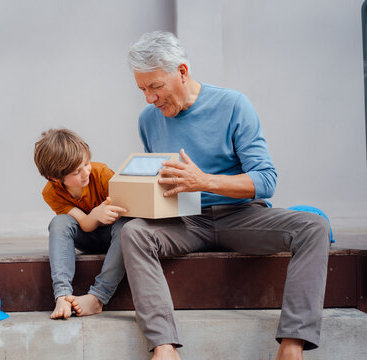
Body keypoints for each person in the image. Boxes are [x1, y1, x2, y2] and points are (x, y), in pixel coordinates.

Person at [121, 31, 330, 360]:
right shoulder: (149, 119)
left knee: (314, 227)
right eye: (142, 89)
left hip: (242, 216)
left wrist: (204, 181)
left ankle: (292, 345)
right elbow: (162, 183)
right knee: (133, 232)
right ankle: (163, 346)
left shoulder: (233, 105)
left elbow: (265, 180)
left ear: (183, 71)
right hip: (185, 221)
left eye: (155, 86)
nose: (150, 98)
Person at [34, 128, 128, 319]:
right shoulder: (51, 192)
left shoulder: (102, 174)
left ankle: (99, 297)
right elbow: (85, 224)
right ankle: (62, 294)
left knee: (126, 225)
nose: (86, 171)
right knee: (59, 222)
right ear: (55, 178)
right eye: (77, 171)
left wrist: (107, 214)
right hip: (89, 234)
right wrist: (96, 214)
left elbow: (127, 209)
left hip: (117, 235)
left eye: (86, 163)